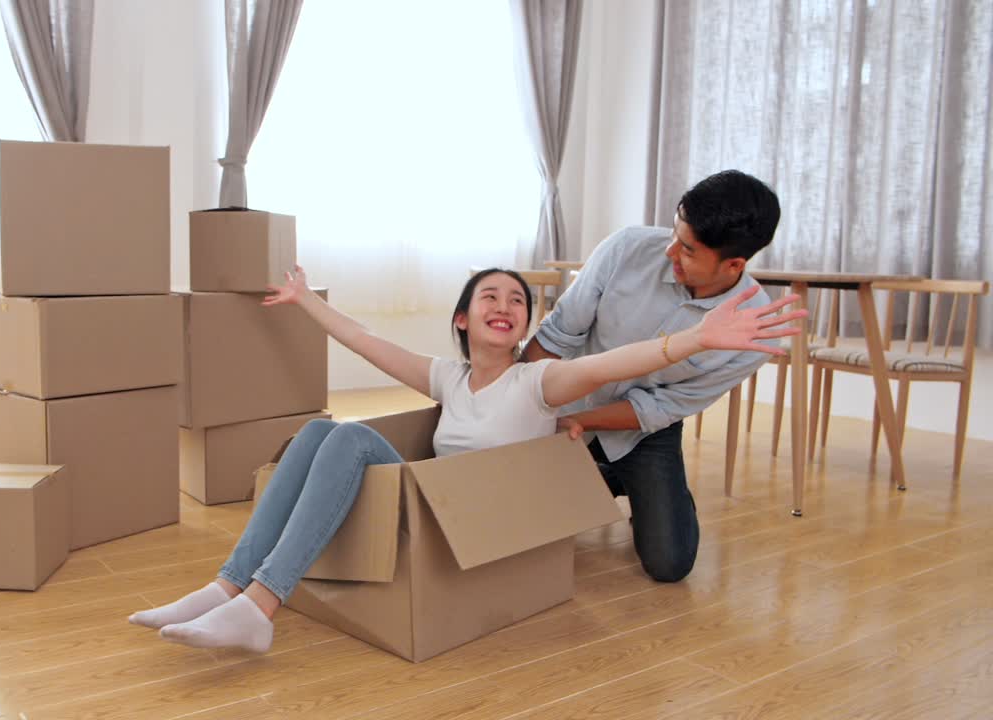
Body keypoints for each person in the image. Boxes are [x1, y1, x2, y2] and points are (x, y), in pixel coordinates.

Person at [130, 261, 803, 653]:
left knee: (354, 437)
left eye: (518, 300)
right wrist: (305, 300)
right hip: (428, 510)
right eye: (490, 296)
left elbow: (615, 362)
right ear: (463, 320)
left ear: (525, 325)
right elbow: (366, 341)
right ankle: (227, 588)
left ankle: (260, 605)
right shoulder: (447, 380)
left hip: (466, 520)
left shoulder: (539, 383)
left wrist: (695, 338)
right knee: (315, 431)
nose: (506, 305)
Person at [523, 169, 784, 583]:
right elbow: (558, 334)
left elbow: (661, 407)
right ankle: (598, 477)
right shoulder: (627, 248)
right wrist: (519, 409)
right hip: (563, 401)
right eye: (673, 236)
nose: (669, 253)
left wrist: (580, 423)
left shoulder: (753, 330)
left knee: (669, 563)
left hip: (639, 429)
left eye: (688, 250)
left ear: (733, 264)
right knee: (523, 521)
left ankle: (626, 482)